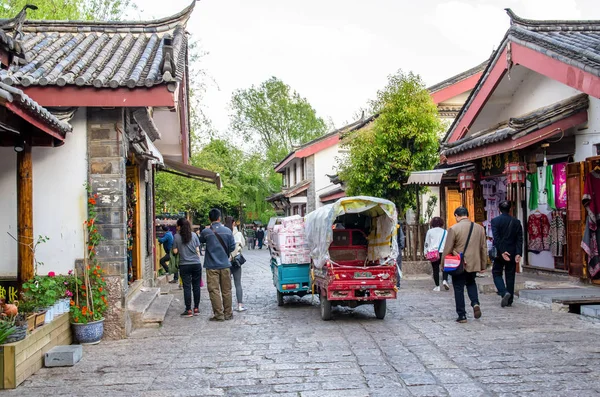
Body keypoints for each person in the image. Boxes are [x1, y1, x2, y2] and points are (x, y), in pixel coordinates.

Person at [442, 207, 487, 323]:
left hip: (459, 264)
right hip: (473, 263)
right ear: (467, 215)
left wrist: (443, 266)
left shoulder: (454, 229)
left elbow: (448, 248)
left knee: (458, 288)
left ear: (457, 215)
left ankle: (462, 315)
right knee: (471, 283)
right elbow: (483, 248)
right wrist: (483, 265)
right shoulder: (479, 228)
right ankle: (475, 303)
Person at [199, 208, 236, 321]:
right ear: (219, 218)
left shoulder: (206, 232)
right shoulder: (228, 231)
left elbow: (201, 241)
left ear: (209, 218)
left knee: (214, 290)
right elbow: (233, 247)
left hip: (211, 266)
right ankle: (228, 313)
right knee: (226, 290)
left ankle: (219, 314)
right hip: (225, 265)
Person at [491, 200, 523, 307]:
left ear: (499, 210)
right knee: (510, 275)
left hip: (500, 252)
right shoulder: (516, 222)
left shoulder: (495, 221)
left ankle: (504, 292)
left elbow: (497, 238)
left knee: (496, 272)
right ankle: (510, 300)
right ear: (510, 209)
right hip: (513, 252)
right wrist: (518, 253)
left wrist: (502, 250)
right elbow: (519, 239)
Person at [172, 218, 202, 317]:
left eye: (177, 226)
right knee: (196, 286)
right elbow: (197, 250)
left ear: (180, 226)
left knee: (187, 287)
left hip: (184, 264)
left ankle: (188, 309)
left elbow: (175, 251)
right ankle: (196, 308)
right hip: (196, 264)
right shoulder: (194, 235)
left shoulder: (176, 237)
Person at [424, 217, 449, 291]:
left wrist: (425, 252)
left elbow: (427, 243)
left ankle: (437, 286)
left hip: (433, 253)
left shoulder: (430, 231)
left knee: (435, 269)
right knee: (445, 268)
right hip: (443, 252)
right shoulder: (445, 232)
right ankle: (444, 280)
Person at [231, 225, 247, 312]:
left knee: (226, 286)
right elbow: (243, 244)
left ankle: (227, 306)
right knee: (238, 284)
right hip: (235, 261)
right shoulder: (238, 234)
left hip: (225, 261)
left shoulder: (224, 232)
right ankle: (240, 305)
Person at [396, 221, 405, 289]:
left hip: (385, 248)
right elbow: (402, 237)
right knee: (397, 266)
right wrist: (401, 246)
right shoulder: (397, 225)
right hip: (396, 249)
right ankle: (397, 284)